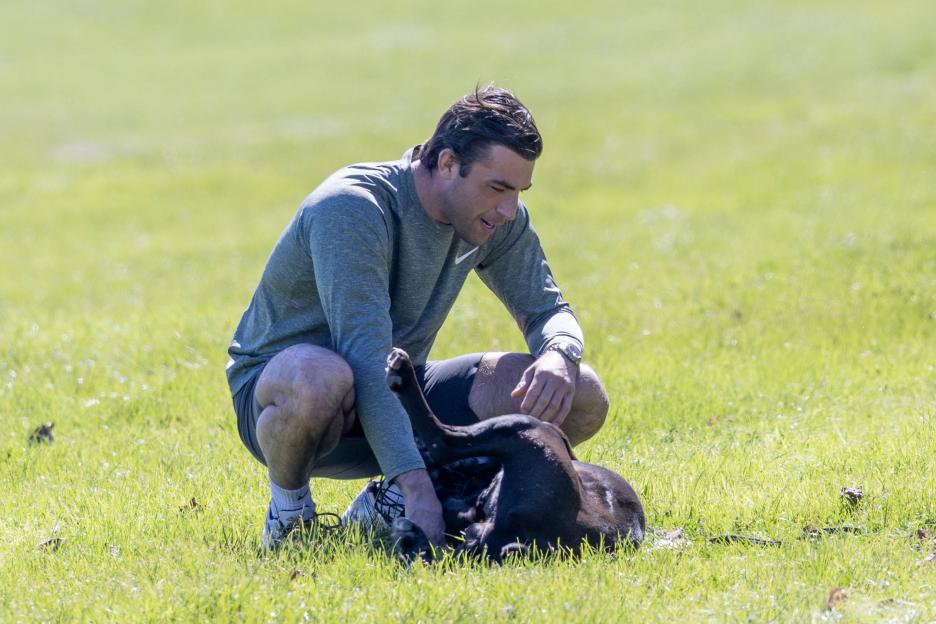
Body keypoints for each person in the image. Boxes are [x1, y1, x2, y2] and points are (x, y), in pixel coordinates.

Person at [226, 86, 610, 549]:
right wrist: (419, 491)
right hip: (291, 402)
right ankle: (290, 518)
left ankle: (383, 503)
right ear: (447, 163)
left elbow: (549, 310)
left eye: (519, 191)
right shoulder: (351, 207)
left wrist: (559, 353)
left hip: (393, 389)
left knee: (581, 391)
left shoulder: (492, 218)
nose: (509, 209)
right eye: (498, 188)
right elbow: (366, 357)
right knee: (320, 375)